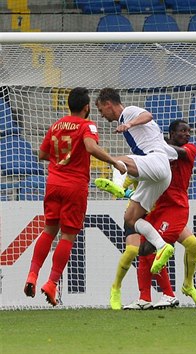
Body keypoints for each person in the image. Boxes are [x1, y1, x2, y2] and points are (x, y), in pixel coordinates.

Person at [23, 87, 127, 306]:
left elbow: (42, 154)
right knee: (67, 236)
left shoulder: (55, 126)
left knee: (48, 231)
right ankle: (51, 283)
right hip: (74, 187)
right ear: (87, 107)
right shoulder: (87, 125)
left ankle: (32, 274)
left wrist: (62, 156)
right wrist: (114, 162)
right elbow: (90, 147)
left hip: (53, 184)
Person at [104, 120, 196, 310]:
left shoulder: (189, 149)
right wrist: (122, 190)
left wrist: (154, 143)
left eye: (189, 131)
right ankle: (143, 297)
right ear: (172, 133)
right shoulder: (152, 156)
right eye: (183, 131)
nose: (187, 134)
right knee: (141, 250)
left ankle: (180, 289)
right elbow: (130, 175)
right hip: (153, 208)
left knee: (168, 246)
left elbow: (176, 152)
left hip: (174, 208)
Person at [95, 88, 177, 276]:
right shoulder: (150, 133)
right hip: (161, 173)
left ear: (108, 104)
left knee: (118, 161)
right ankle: (162, 246)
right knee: (130, 219)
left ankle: (116, 186)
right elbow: (170, 153)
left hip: (155, 161)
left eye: (101, 110)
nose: (101, 115)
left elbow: (148, 115)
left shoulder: (128, 112)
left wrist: (129, 124)